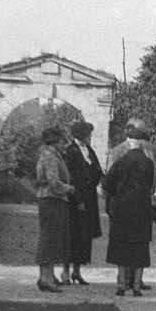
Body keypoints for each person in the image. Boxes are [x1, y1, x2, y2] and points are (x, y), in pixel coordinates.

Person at [102, 118, 156, 296]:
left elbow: (107, 184)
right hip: (141, 210)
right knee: (140, 247)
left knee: (121, 245)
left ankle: (121, 284)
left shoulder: (121, 160)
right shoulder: (148, 163)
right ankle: (137, 285)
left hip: (122, 209)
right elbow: (151, 185)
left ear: (129, 142)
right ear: (140, 142)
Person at [61, 119, 103, 285]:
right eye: (88, 134)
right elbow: (69, 177)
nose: (90, 136)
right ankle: (65, 271)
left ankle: (76, 271)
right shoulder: (70, 151)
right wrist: (77, 198)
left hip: (89, 198)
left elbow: (97, 169)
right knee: (72, 234)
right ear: (82, 135)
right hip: (75, 199)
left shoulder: (89, 150)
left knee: (84, 236)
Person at [35, 125, 75, 293]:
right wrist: (69, 188)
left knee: (48, 238)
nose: (63, 144)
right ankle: (46, 278)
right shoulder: (50, 156)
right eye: (61, 141)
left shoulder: (46, 154)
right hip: (52, 199)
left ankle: (46, 276)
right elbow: (53, 181)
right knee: (49, 239)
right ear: (55, 141)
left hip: (48, 199)